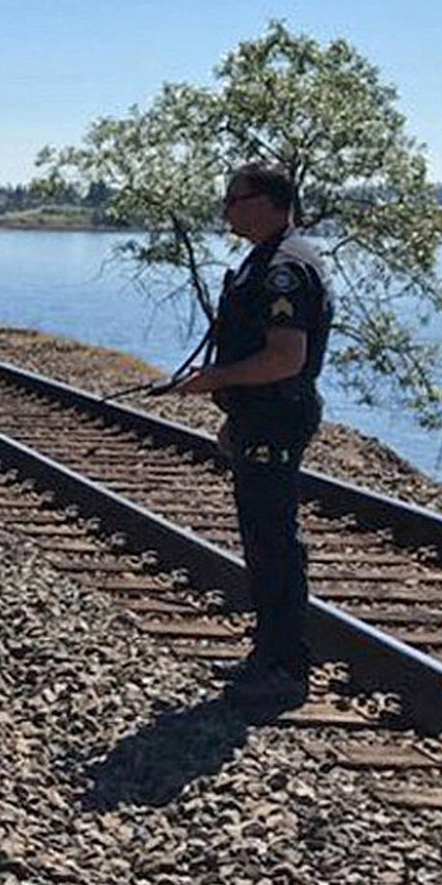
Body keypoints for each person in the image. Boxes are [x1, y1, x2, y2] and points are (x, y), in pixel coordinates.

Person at [170, 162, 333, 708]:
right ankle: (268, 654)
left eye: (234, 199)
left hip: (276, 417)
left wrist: (216, 380)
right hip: (260, 418)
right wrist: (233, 411)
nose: (226, 209)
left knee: (273, 543)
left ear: (266, 201)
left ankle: (285, 667)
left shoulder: (285, 268)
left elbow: (286, 357)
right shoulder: (266, 259)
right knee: (263, 541)